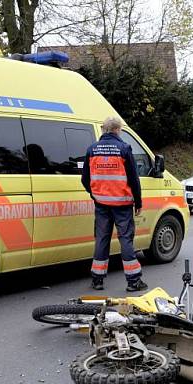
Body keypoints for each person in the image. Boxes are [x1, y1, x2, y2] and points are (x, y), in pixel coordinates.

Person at [81, 116, 147, 292]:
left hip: (101, 203)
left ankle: (97, 280)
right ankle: (133, 281)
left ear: (104, 129)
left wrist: (95, 193)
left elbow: (85, 179)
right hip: (122, 204)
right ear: (118, 130)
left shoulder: (91, 149)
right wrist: (138, 202)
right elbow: (134, 180)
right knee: (125, 239)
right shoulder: (124, 148)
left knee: (102, 238)